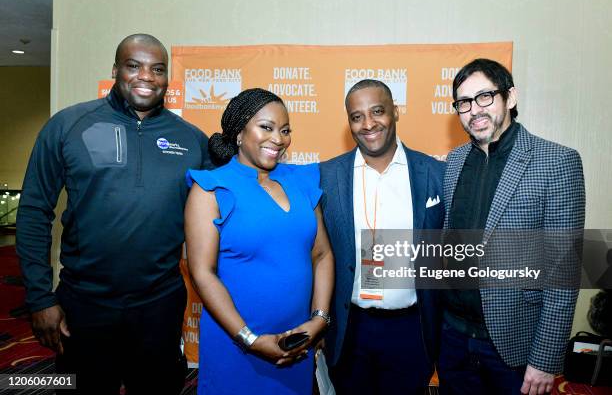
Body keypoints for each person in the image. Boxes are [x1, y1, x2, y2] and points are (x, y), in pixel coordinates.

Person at [16, 34, 212, 394]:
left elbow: (231, 202)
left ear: (167, 78)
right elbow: (33, 212)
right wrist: (40, 298)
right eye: (133, 66)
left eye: (157, 69)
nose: (146, 77)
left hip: (160, 306)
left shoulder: (192, 140)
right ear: (115, 70)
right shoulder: (67, 127)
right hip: (83, 305)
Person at [439, 58, 585, 395]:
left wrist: (546, 359)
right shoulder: (454, 162)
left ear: (511, 97)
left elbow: (563, 272)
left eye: (484, 97)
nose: (474, 110)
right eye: (464, 102)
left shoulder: (556, 162)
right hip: (453, 339)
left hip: (513, 348)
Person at [184, 88, 334, 394]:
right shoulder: (211, 189)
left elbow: (322, 255)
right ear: (239, 132)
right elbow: (202, 272)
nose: (278, 139)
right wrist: (249, 339)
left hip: (296, 345)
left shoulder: (302, 181)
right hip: (235, 346)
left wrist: (318, 319)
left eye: (285, 130)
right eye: (266, 127)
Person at [319, 79, 445, 394]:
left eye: (377, 111)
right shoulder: (326, 176)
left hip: (411, 329)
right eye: (356, 116)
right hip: (350, 328)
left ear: (396, 112)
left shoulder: (436, 174)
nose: (368, 123)